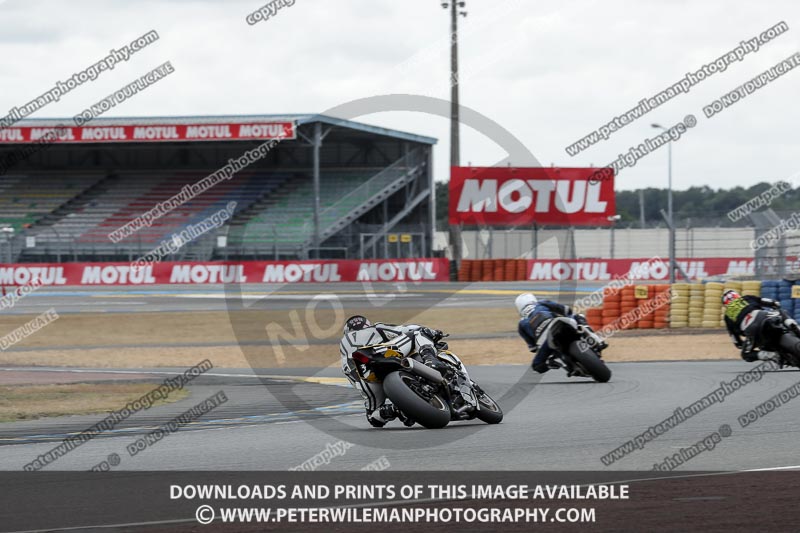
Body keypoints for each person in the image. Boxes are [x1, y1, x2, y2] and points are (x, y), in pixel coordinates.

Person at [339, 315, 452, 428]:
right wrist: (432, 332)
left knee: (373, 417)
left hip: (365, 377)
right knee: (418, 333)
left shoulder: (344, 351)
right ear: (367, 325)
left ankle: (394, 410)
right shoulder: (376, 328)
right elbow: (405, 329)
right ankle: (430, 359)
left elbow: (353, 379)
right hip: (379, 353)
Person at [515, 292, 605, 374]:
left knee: (536, 365)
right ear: (533, 299)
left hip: (546, 342)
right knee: (578, 316)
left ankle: (555, 362)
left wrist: (545, 360)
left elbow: (533, 348)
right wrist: (568, 316)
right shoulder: (541, 303)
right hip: (558, 324)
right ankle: (596, 339)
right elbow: (566, 310)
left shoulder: (520, 324)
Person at [722, 289, 796, 363]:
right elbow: (771, 302)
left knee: (745, 354)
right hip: (764, 316)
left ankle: (772, 355)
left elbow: (737, 342)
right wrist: (776, 305)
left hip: (751, 331)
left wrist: (746, 343)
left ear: (726, 304)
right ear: (737, 295)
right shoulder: (746, 298)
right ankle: (791, 324)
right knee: (781, 312)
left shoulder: (727, 316)